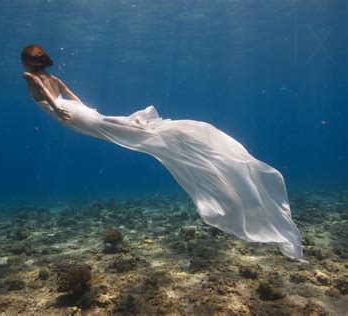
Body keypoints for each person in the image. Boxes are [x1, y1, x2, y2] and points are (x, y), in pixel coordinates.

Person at [21, 44, 304, 261]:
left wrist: (60, 110)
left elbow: (48, 95)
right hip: (80, 112)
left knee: (133, 134)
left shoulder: (30, 76)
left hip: (71, 115)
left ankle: (172, 134)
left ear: (28, 60)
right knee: (124, 129)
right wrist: (84, 109)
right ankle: (160, 131)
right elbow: (69, 93)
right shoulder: (52, 76)